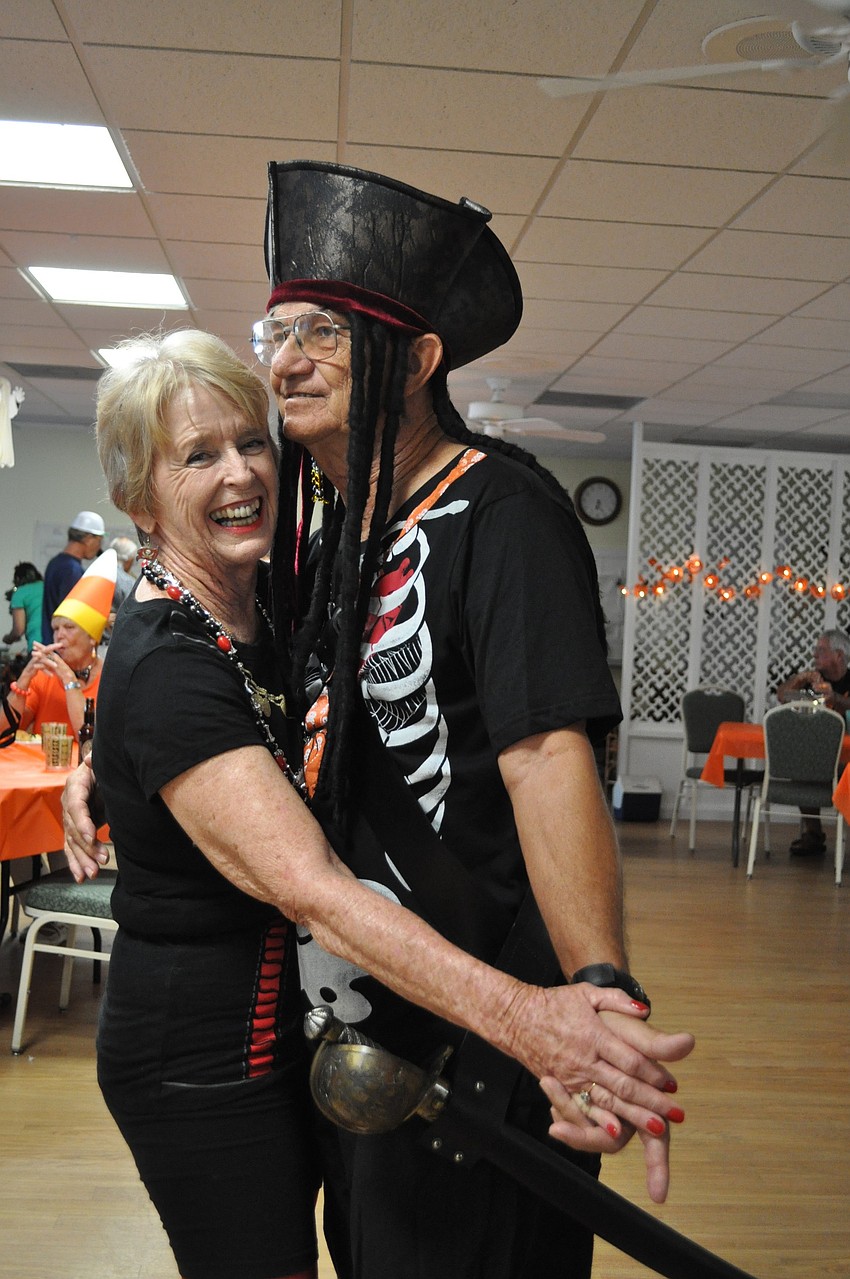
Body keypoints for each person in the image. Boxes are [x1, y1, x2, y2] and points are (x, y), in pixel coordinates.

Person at [65, 325, 692, 1279]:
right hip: (200, 1054)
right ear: (138, 497)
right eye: (197, 456)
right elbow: (310, 887)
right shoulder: (165, 662)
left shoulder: (270, 605)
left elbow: (530, 751)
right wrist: (532, 1020)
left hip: (301, 1038)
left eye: (249, 441)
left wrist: (99, 766)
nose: (239, 471)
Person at [254, 161, 686, 1277]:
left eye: (323, 334)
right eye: (276, 334)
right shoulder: (336, 534)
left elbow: (548, 756)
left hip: (493, 1028)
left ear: (419, 358)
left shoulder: (504, 509)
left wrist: (595, 990)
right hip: (358, 1014)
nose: (286, 360)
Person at [1, 549, 116, 740]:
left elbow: (90, 743)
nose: (59, 635)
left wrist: (68, 679)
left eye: (69, 627)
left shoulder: (111, 678)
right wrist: (24, 679)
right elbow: (4, 733)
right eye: (55, 628)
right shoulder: (43, 676)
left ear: (92, 638)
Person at [775, 627, 850, 855]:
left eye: (821, 650)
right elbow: (783, 696)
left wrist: (834, 698)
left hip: (846, 758)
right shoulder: (814, 683)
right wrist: (801, 679)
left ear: (839, 655)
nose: (814, 654)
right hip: (817, 755)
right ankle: (814, 834)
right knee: (802, 764)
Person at [41, 510, 105, 643]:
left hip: (52, 643)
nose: (99, 547)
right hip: (63, 648)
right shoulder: (71, 570)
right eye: (99, 541)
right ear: (88, 538)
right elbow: (72, 617)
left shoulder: (55, 563)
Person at [3, 561, 43, 652]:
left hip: (38, 645)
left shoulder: (20, 592)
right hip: (57, 644)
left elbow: (18, 630)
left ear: (17, 578)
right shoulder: (47, 587)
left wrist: (8, 639)